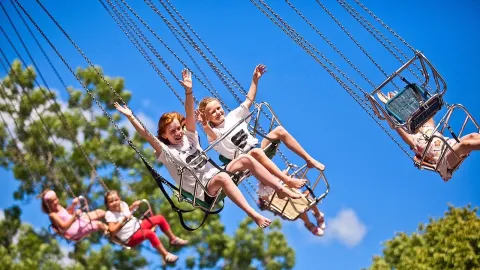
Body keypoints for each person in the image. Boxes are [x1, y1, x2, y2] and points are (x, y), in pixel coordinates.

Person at [115, 69, 303, 229]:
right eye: (172, 132)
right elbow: (147, 136)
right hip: (203, 190)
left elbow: (189, 114)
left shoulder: (190, 138)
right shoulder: (166, 152)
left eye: (178, 129)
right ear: (164, 136)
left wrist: (189, 92)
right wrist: (131, 117)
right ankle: (254, 214)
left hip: (217, 174)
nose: (178, 133)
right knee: (222, 177)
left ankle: (280, 187)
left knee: (247, 158)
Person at [196, 64, 326, 190]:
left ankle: (309, 159)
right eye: (212, 112)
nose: (218, 112)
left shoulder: (233, 116)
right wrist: (204, 124)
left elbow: (249, 100)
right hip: (244, 161)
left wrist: (255, 80)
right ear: (207, 118)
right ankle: (287, 181)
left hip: (257, 147)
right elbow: (210, 133)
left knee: (279, 131)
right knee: (255, 152)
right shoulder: (213, 133)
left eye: (218, 108)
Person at [377, 92, 480, 181]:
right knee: (465, 145)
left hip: (450, 144)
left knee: (473, 135)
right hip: (443, 159)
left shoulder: (428, 126)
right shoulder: (413, 142)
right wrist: (387, 109)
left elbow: (424, 108)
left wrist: (405, 100)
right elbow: (396, 126)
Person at [104, 190, 186, 264]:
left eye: (116, 200)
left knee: (159, 218)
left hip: (138, 225)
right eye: (111, 202)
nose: (114, 203)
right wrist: (123, 219)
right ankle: (166, 255)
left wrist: (133, 206)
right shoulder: (110, 214)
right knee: (149, 234)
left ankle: (173, 239)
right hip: (130, 237)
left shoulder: (123, 204)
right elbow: (112, 230)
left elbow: (127, 213)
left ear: (120, 198)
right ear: (107, 204)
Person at [257, 171, 326, 236]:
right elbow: (267, 202)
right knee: (300, 211)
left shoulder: (276, 176)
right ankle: (309, 224)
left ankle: (318, 214)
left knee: (306, 198)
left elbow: (286, 173)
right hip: (285, 204)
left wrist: (286, 178)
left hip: (295, 195)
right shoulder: (262, 192)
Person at [40, 189, 108, 240]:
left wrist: (73, 205)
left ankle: (114, 217)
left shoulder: (58, 206)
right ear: (47, 204)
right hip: (72, 230)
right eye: (52, 202)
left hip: (77, 221)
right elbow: (64, 227)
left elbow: (68, 214)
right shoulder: (52, 215)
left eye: (56, 199)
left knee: (100, 212)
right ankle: (114, 233)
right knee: (100, 224)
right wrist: (75, 216)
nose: (55, 202)